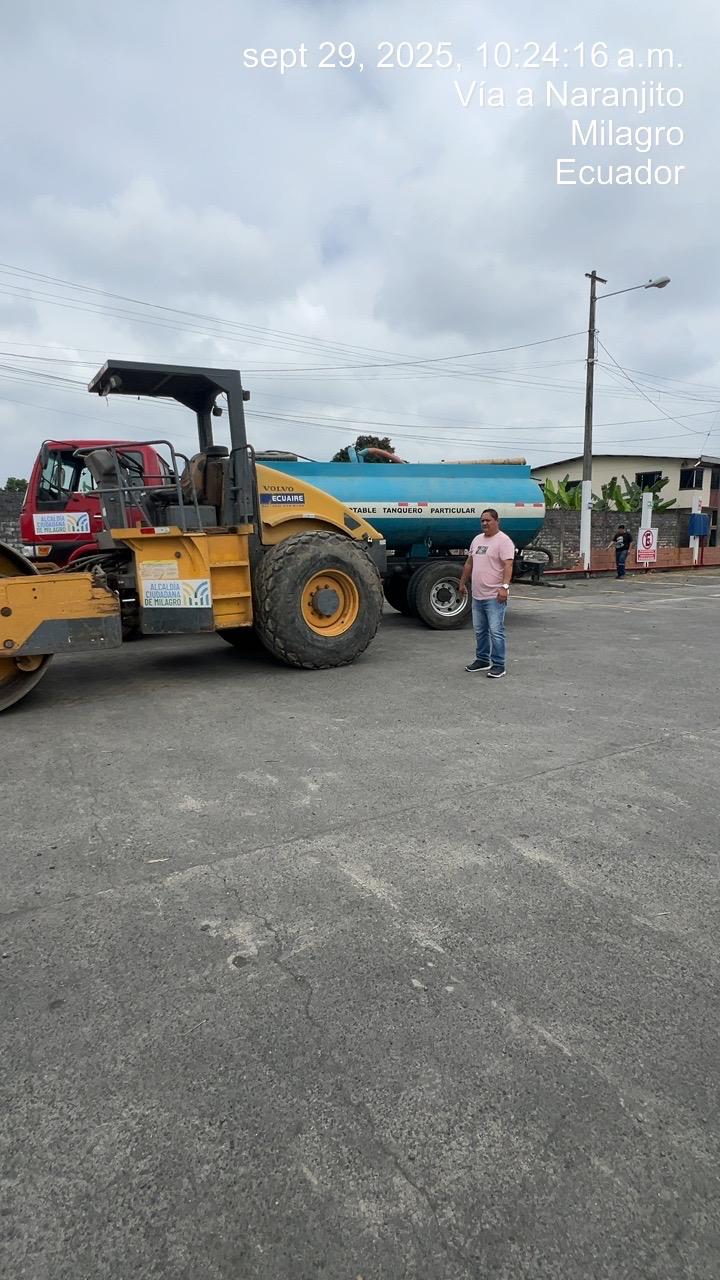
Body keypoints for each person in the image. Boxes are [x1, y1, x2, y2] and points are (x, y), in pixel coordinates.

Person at [458, 508, 515, 678]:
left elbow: (508, 565)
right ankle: (482, 660)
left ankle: (499, 665)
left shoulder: (504, 541)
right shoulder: (477, 540)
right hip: (477, 595)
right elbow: (469, 563)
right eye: (482, 520)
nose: (484, 523)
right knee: (480, 630)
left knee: (496, 631)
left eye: (488, 520)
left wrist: (504, 587)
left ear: (497, 521)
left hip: (494, 596)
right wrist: (462, 582)